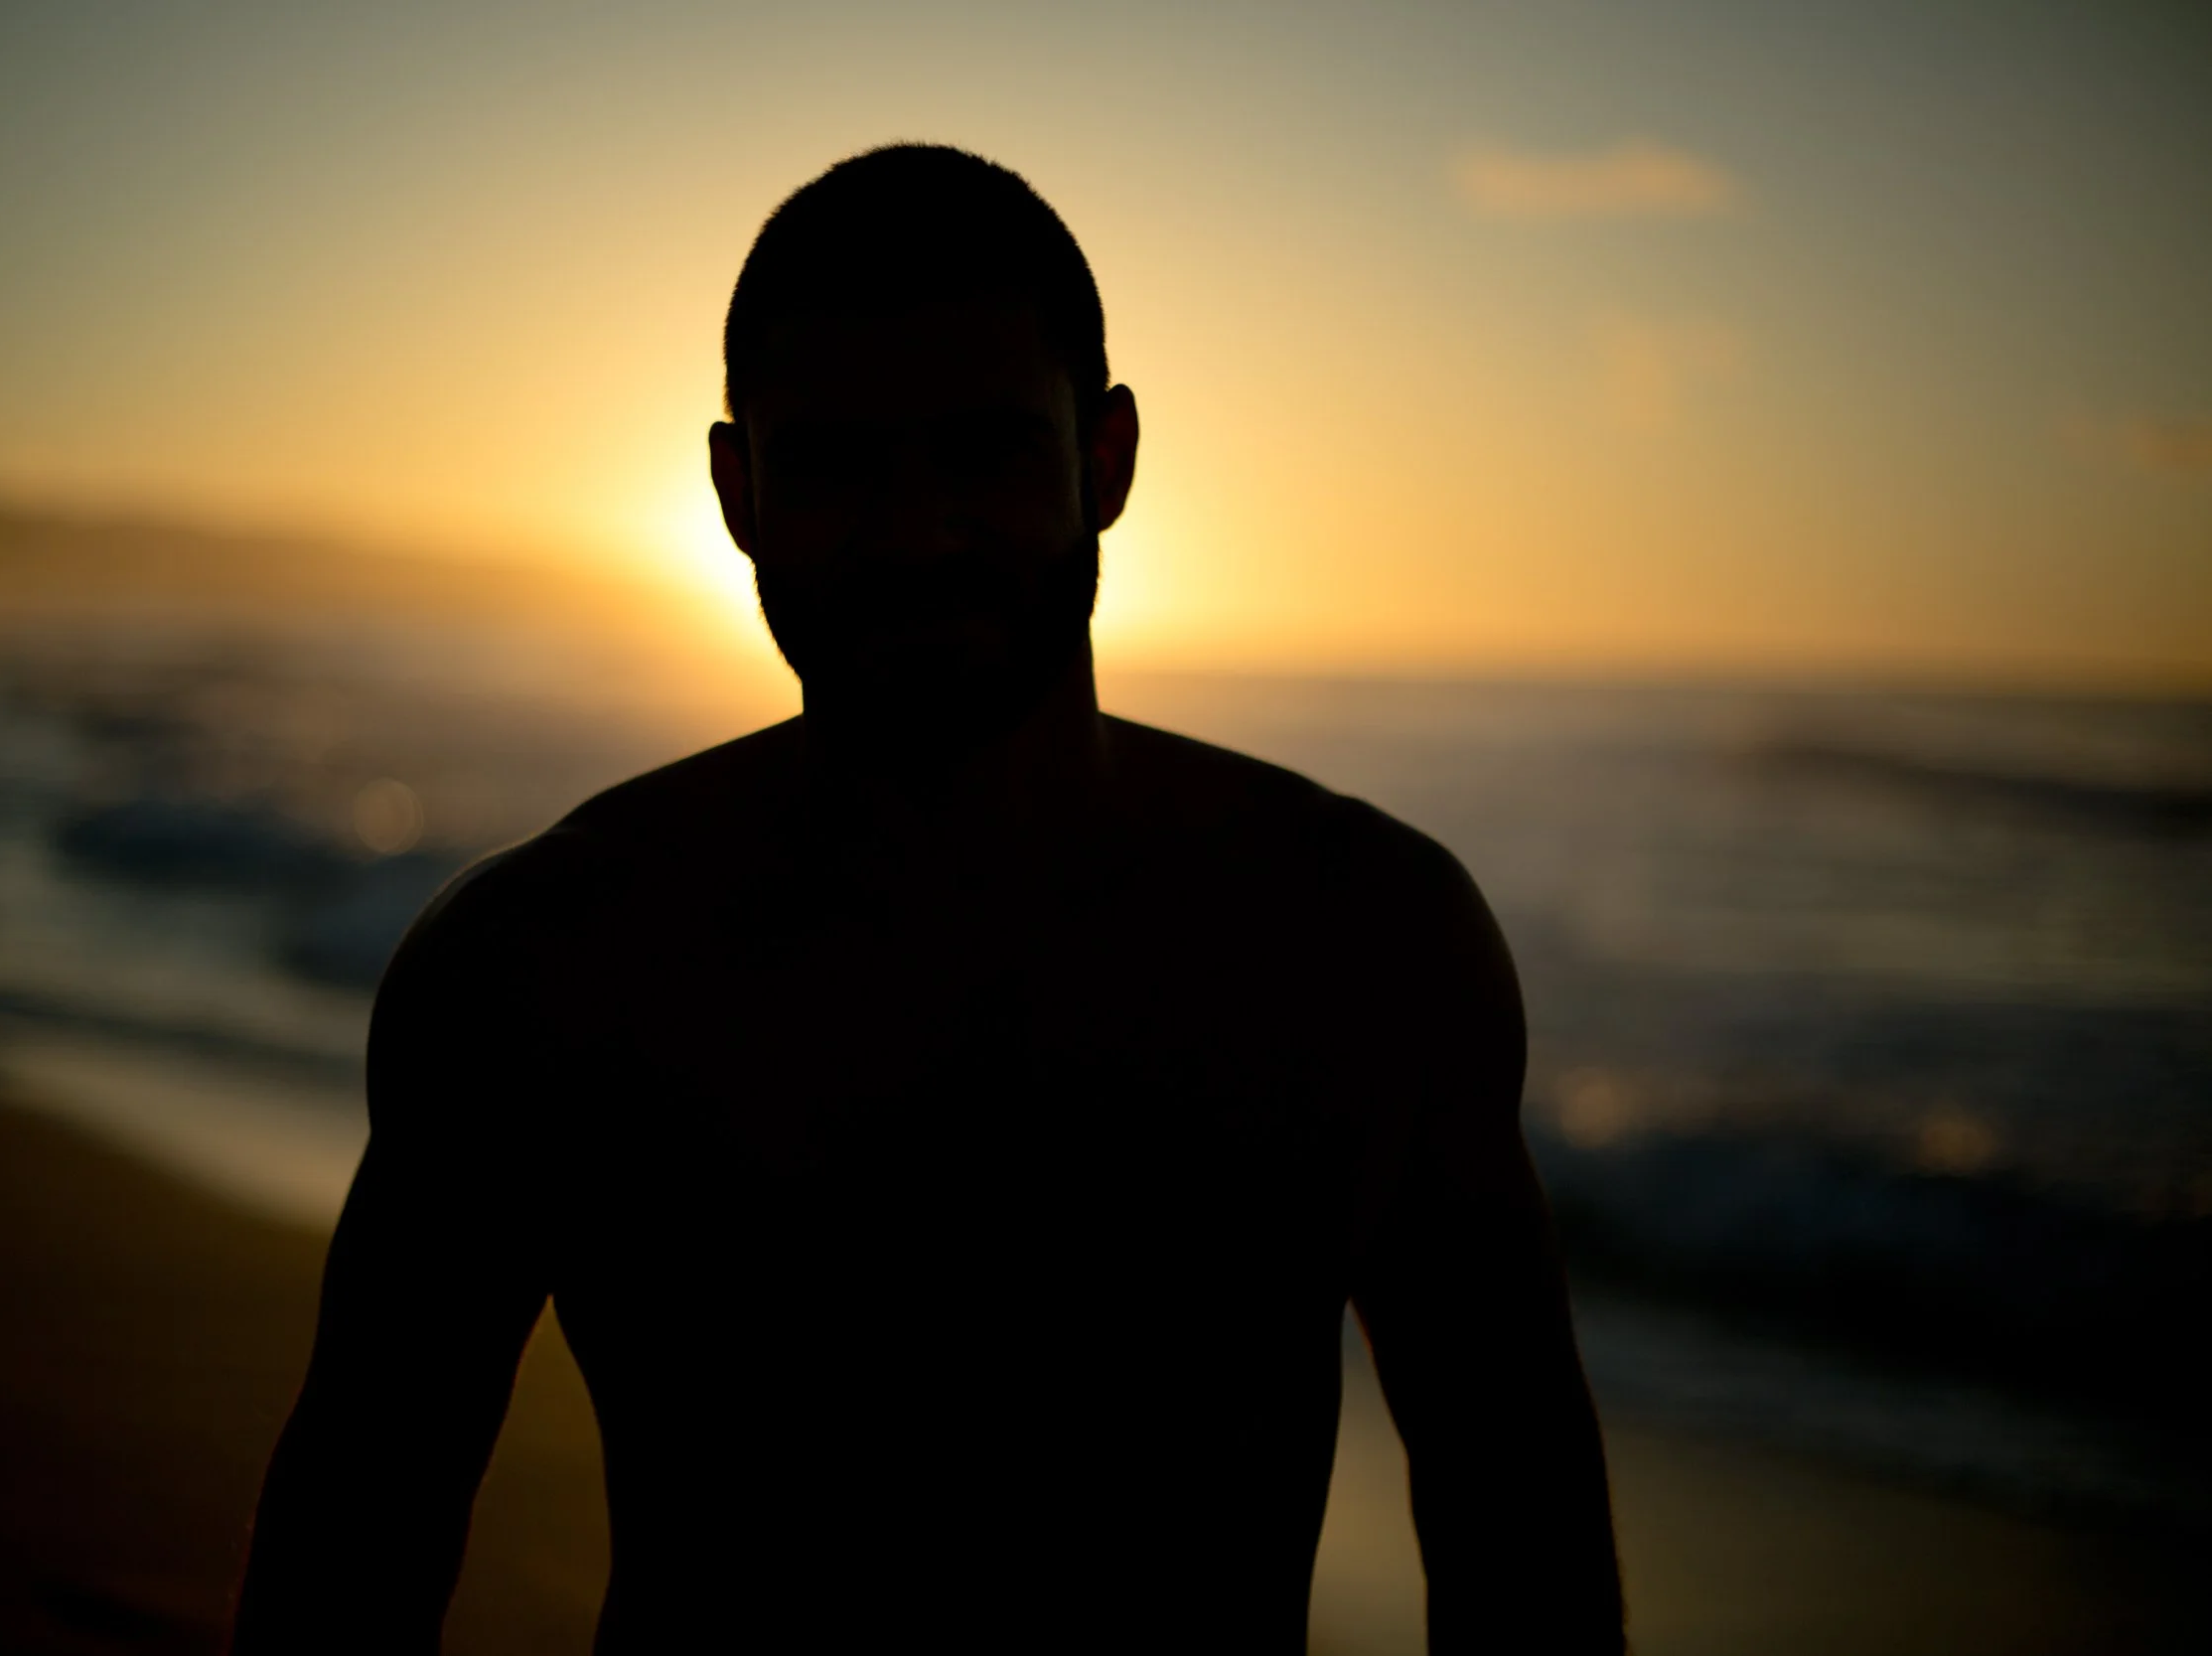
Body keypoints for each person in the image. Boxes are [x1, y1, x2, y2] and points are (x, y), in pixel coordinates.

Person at [234, 143, 1623, 1654]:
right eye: (834, 464)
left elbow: (1523, 1545)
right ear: (734, 489)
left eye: (983, 455)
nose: (912, 534)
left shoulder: (1365, 946)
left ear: (1106, 463)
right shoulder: (548, 972)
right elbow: (351, 1553)